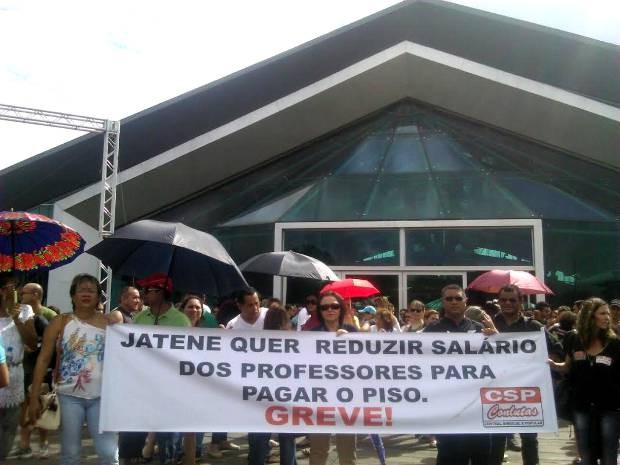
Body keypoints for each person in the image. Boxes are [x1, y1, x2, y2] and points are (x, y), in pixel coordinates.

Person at [29, 274, 123, 465]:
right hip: (68, 396)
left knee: (108, 453)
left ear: (98, 297)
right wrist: (34, 396)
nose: (86, 294)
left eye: (91, 290)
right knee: (70, 453)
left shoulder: (109, 323)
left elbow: (124, 353)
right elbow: (43, 359)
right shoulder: (59, 322)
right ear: (73, 296)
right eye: (81, 289)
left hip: (103, 397)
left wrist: (118, 319)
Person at [423, 284, 496, 465]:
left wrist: (496, 339)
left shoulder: (481, 329)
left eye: (458, 298)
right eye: (449, 299)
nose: (454, 302)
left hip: (477, 404)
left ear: (465, 301)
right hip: (447, 406)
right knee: (450, 455)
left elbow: (498, 361)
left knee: (482, 455)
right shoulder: (431, 330)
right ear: (443, 302)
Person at [549, 297, 620, 465]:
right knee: (586, 455)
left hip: (609, 405)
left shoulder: (615, 342)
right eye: (602, 313)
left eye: (608, 314)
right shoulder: (573, 339)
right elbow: (567, 366)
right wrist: (554, 365)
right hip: (581, 404)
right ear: (589, 316)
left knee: (609, 455)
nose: (608, 317)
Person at [133, 273, 193, 465]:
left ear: (161, 292)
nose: (143, 295)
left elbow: (187, 355)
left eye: (147, 291)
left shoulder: (181, 321)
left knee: (167, 439)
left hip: (170, 388)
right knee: (133, 436)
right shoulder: (140, 318)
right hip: (142, 387)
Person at [492, 285, 549, 465]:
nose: (507, 303)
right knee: (496, 439)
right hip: (496, 390)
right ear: (498, 301)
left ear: (521, 302)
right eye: (503, 300)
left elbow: (556, 351)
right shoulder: (489, 324)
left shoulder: (534, 326)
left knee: (530, 439)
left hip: (527, 390)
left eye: (512, 300)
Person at [309, 291, 357, 465]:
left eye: (334, 306)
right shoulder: (312, 333)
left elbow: (363, 363)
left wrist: (350, 340)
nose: (330, 310)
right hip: (320, 398)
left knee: (347, 451)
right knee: (318, 450)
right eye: (325, 307)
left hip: (347, 397)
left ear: (340, 309)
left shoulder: (352, 331)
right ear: (320, 311)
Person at [247, 305, 298, 465]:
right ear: (284, 323)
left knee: (259, 440)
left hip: (262, 397)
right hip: (287, 396)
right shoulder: (296, 342)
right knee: (287, 439)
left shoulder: (258, 343)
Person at [17, 282, 57, 459]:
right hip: (23, 368)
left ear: (35, 294)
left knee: (43, 408)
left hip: (42, 370)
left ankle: (43, 443)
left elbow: (55, 344)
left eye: (23, 292)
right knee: (24, 408)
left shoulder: (49, 315)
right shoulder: (17, 313)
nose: (19, 294)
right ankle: (24, 445)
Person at [0, 275, 36, 460]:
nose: (11, 291)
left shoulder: (24, 310)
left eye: (14, 287)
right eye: (7, 287)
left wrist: (16, 319)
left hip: (14, 377)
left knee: (7, 431)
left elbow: (32, 341)